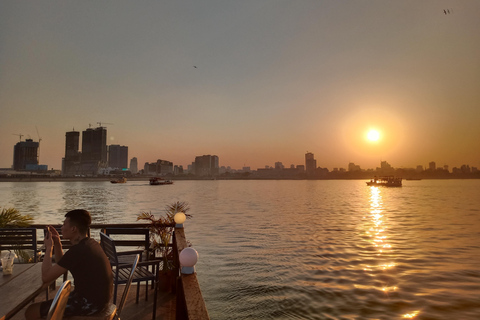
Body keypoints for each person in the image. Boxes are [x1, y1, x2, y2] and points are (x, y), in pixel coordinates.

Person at [25, 209, 113, 319]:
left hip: (90, 304)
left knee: (31, 311)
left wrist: (48, 248)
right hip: (99, 301)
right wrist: (57, 244)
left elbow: (46, 277)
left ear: (73, 229)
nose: (61, 227)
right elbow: (62, 265)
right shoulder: (90, 243)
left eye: (64, 224)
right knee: (45, 307)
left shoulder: (78, 250)